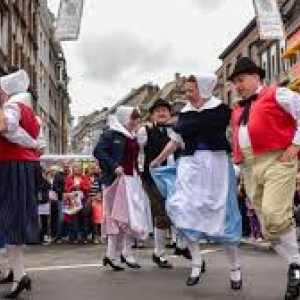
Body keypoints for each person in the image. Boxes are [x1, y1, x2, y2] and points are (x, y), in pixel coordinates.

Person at [150, 73, 242, 289]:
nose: (187, 94)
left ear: (203, 89)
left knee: (223, 215)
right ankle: (196, 261)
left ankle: (235, 267)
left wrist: (242, 154)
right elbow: (175, 142)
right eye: (186, 90)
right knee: (183, 209)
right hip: (190, 165)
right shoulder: (185, 113)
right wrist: (157, 160)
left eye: (191, 90)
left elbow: (238, 131)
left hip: (216, 165)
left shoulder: (222, 110)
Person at [230, 57, 300, 300]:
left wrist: (296, 144)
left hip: (277, 160)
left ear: (256, 77)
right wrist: (241, 175)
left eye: (241, 80)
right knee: (268, 228)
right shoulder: (238, 109)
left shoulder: (277, 94)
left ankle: (296, 266)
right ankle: (296, 266)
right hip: (250, 167)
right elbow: (240, 142)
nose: (237, 86)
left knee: (274, 214)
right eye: (234, 83)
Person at [93, 106, 152, 271]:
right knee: (115, 218)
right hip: (115, 181)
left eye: (136, 119)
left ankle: (122, 253)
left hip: (131, 180)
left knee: (130, 218)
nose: (135, 122)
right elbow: (98, 151)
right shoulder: (111, 133)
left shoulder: (132, 136)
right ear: (125, 118)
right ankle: (113, 254)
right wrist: (113, 166)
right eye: (133, 119)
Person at [0, 70, 42, 298]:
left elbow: (9, 129)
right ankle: (14, 271)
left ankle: (20, 275)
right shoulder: (32, 113)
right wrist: (34, 144)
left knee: (10, 219)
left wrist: (30, 142)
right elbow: (40, 142)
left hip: (11, 166)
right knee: (12, 218)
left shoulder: (11, 108)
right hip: (24, 166)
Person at [137, 98, 188, 268]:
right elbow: (135, 151)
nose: (161, 113)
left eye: (165, 110)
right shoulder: (144, 131)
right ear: (151, 115)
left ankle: (181, 246)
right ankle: (158, 253)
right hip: (152, 178)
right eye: (157, 111)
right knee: (162, 214)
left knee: (181, 209)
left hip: (174, 177)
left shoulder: (176, 130)